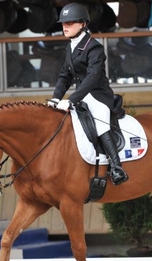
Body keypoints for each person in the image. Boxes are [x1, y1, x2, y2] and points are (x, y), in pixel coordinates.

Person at [47, 2, 128, 185]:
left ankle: (117, 168)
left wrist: (71, 100)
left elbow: (92, 78)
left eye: (70, 23)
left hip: (98, 95)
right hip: (82, 95)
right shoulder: (70, 47)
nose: (65, 27)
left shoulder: (94, 47)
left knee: (101, 126)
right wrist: (55, 98)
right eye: (63, 23)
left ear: (83, 24)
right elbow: (64, 76)